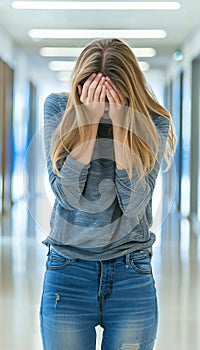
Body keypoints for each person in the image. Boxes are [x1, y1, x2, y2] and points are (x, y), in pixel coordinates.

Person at [39, 38, 176, 350]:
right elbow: (67, 197)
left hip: (131, 273)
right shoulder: (58, 108)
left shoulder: (155, 121)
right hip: (67, 271)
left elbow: (134, 204)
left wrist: (122, 126)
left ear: (128, 93)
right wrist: (85, 126)